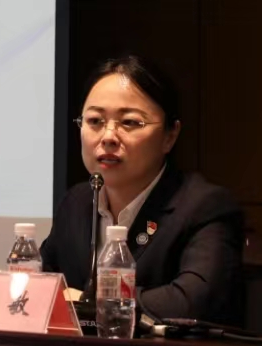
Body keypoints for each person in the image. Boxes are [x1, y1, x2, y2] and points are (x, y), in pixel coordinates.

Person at [40, 55, 245, 325]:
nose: (108, 136)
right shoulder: (76, 202)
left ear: (170, 136)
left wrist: (90, 302)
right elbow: (40, 286)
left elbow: (191, 302)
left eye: (129, 123)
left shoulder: (204, 207)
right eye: (95, 121)